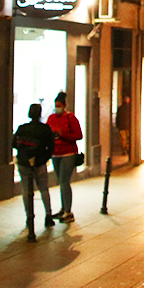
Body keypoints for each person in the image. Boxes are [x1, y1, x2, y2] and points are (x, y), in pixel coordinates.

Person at [13, 103, 55, 241]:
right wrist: (43, 158)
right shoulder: (45, 129)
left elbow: (14, 143)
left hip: (24, 163)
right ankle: (48, 215)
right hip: (39, 163)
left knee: (26, 190)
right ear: (40, 114)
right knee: (43, 189)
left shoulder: (22, 128)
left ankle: (29, 217)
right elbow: (51, 147)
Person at [47, 92, 82, 224]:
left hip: (68, 154)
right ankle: (63, 208)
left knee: (64, 181)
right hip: (55, 154)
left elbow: (79, 135)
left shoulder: (71, 118)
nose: (57, 108)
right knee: (60, 181)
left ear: (65, 106)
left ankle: (67, 211)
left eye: (59, 106)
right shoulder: (51, 118)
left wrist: (63, 134)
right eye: (56, 106)